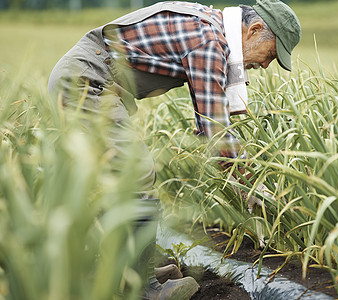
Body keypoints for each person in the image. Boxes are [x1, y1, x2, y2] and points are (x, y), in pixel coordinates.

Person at [48, 0, 301, 299]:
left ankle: (123, 270)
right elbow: (216, 130)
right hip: (85, 82)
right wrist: (251, 185)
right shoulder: (210, 41)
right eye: (270, 54)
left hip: (90, 80)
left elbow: (207, 116)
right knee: (136, 171)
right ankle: (141, 288)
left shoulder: (211, 28)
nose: (265, 65)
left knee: (111, 178)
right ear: (254, 29)